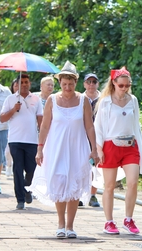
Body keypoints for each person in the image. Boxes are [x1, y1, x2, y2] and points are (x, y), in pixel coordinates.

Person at [28, 61, 98, 238]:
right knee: (59, 181)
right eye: (64, 84)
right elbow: (44, 126)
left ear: (76, 83)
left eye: (71, 84)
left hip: (77, 147)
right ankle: (60, 222)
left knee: (73, 183)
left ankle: (70, 226)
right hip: (56, 146)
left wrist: (94, 149)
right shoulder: (52, 100)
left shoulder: (83, 100)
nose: (67, 87)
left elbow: (90, 126)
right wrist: (40, 149)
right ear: (60, 83)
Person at [94, 66, 142, 235]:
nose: (124, 88)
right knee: (109, 186)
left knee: (133, 182)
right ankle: (109, 222)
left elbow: (136, 124)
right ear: (114, 84)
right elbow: (99, 127)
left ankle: (128, 219)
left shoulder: (133, 100)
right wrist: (99, 148)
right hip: (111, 144)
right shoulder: (106, 101)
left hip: (130, 145)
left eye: (127, 85)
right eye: (121, 85)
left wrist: (140, 145)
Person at [0, 73, 43, 210]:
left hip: (32, 140)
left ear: (29, 84)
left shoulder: (36, 99)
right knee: (17, 169)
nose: (24, 84)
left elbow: (40, 120)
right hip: (15, 140)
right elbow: (2, 118)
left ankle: (26, 189)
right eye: (21, 82)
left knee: (32, 169)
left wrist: (43, 138)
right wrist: (13, 109)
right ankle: (20, 199)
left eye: (26, 82)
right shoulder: (10, 99)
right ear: (17, 84)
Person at [82, 73, 101, 208]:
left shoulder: (104, 99)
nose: (91, 84)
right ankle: (79, 195)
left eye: (94, 82)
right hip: (82, 136)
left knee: (96, 167)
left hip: (99, 137)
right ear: (84, 84)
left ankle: (93, 195)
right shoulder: (79, 98)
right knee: (81, 166)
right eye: (89, 82)